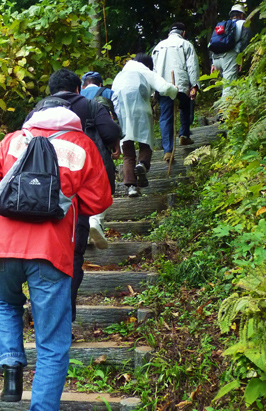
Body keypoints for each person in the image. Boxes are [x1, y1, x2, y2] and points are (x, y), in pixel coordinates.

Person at [0, 105, 111, 411]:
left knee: (8, 301)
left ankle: (12, 366)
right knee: (53, 341)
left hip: (2, 245)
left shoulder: (11, 141)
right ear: (70, 119)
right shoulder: (81, 145)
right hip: (49, 251)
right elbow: (99, 200)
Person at [28, 69, 121, 313]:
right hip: (80, 190)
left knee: (41, 258)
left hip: (38, 193)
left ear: (51, 91)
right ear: (78, 88)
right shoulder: (91, 106)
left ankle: (43, 314)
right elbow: (112, 133)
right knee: (73, 256)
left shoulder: (35, 113)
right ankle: (65, 315)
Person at [111, 53, 178, 197]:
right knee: (146, 141)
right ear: (148, 64)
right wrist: (175, 90)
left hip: (122, 112)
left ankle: (131, 187)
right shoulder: (144, 70)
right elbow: (164, 88)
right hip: (141, 108)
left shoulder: (120, 75)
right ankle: (142, 164)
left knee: (127, 149)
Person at [80, 70, 119, 248]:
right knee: (103, 186)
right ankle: (96, 221)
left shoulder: (77, 98)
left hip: (78, 149)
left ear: (82, 85)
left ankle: (85, 231)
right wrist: (117, 144)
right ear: (100, 83)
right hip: (100, 148)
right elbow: (115, 120)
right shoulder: (107, 93)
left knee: (82, 189)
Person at [152, 22, 200, 159]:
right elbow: (192, 66)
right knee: (186, 106)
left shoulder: (158, 46)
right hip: (181, 83)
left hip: (163, 84)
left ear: (169, 33)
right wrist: (194, 86)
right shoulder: (186, 44)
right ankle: (184, 134)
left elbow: (153, 68)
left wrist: (154, 88)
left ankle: (168, 150)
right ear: (183, 33)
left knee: (166, 116)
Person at [209, 3, 251, 100]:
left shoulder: (221, 25)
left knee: (225, 85)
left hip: (216, 58)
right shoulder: (243, 24)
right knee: (229, 86)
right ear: (242, 15)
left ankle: (227, 110)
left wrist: (212, 62)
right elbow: (244, 42)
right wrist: (241, 58)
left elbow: (212, 42)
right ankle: (224, 113)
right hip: (229, 58)